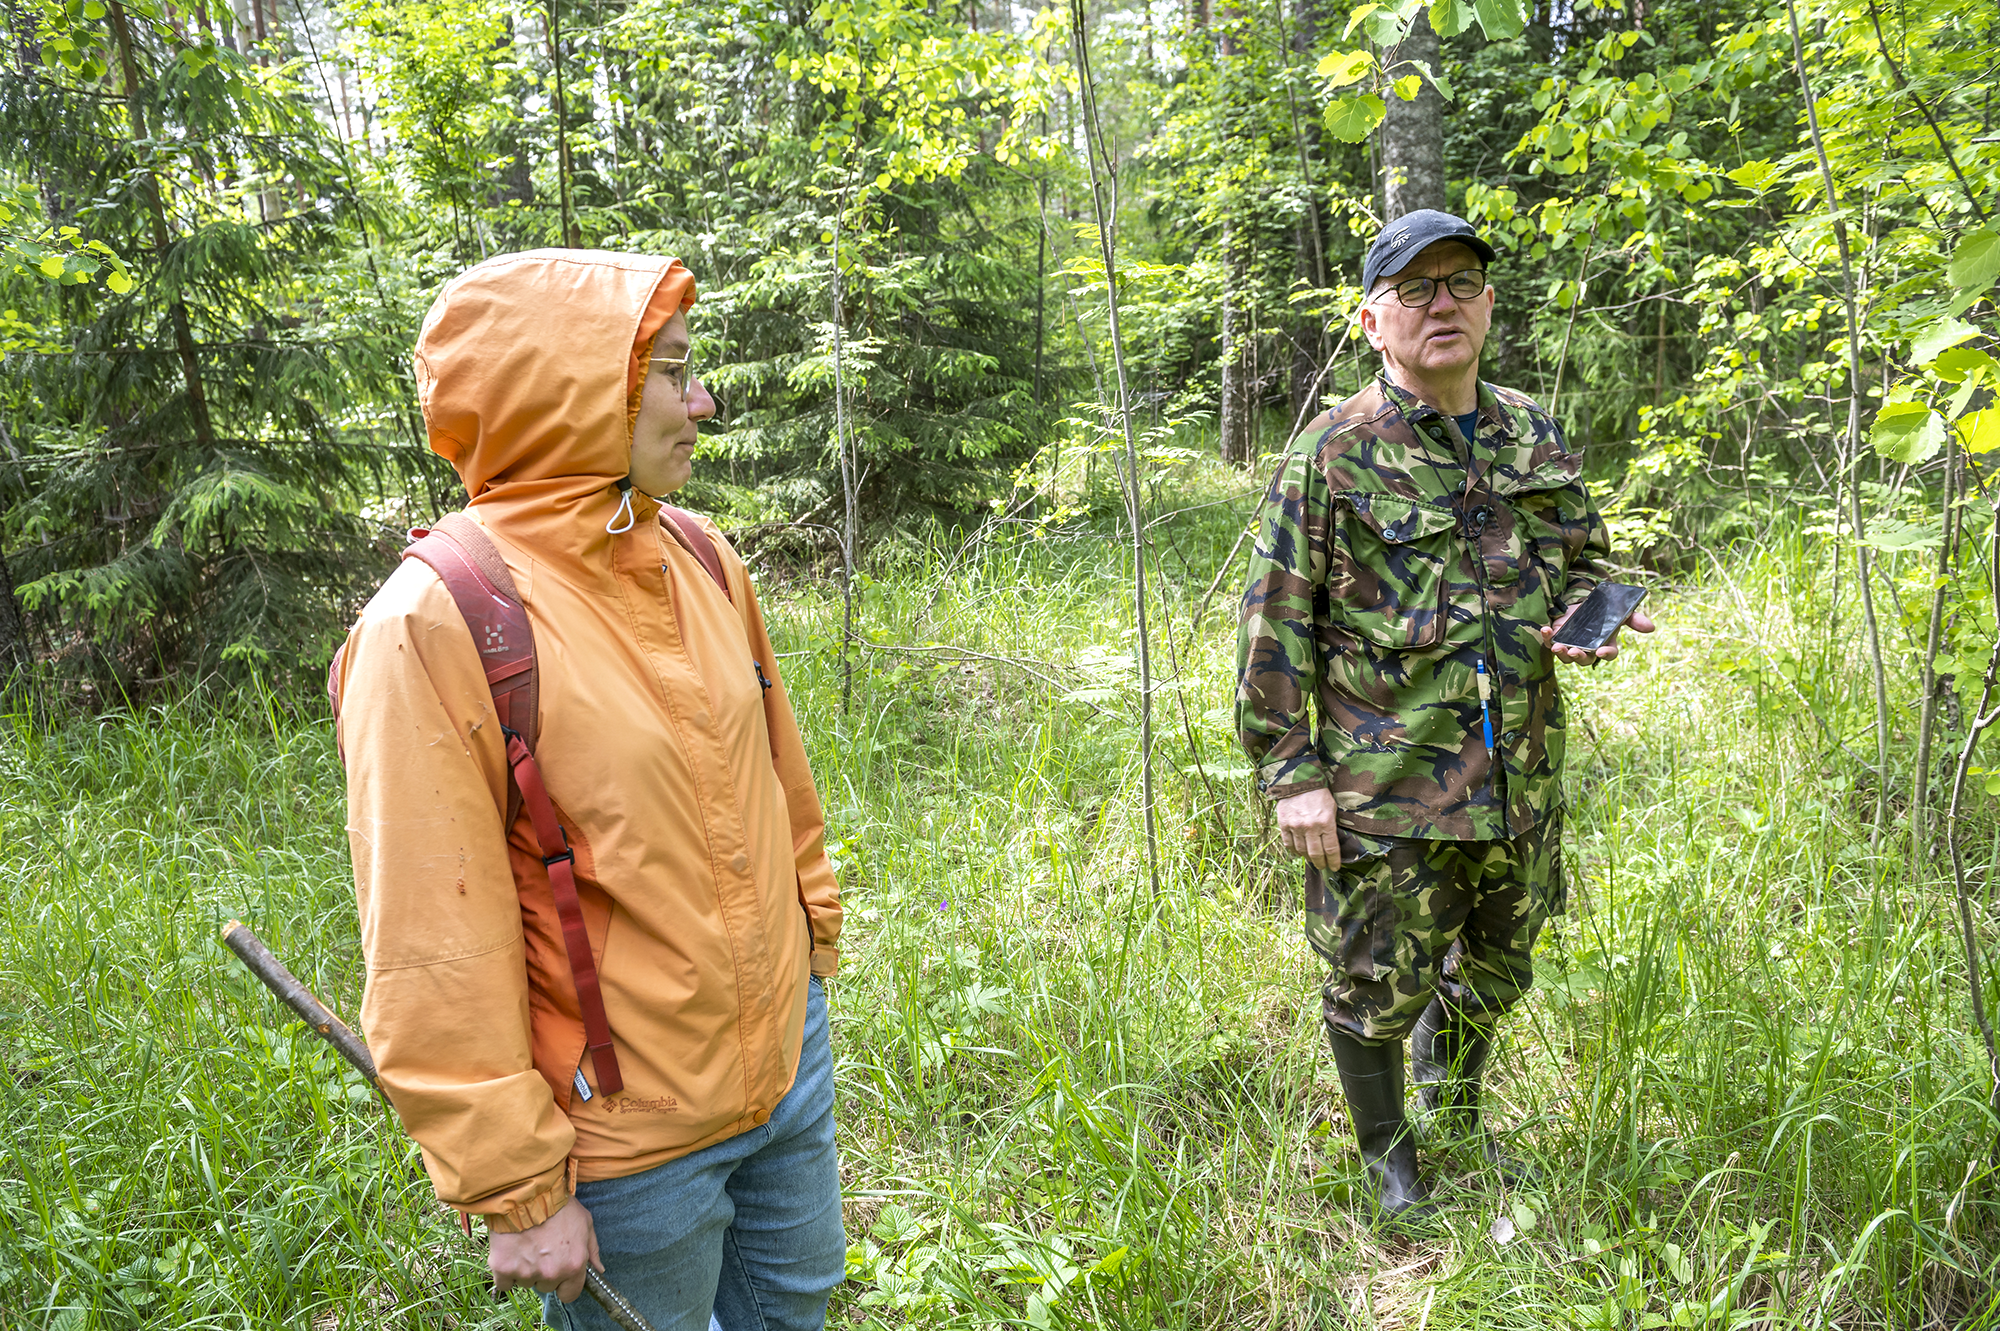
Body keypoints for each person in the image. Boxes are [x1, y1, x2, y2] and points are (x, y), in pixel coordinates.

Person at [335, 250, 846, 1328]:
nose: (702, 401)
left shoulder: (701, 557)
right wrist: (516, 1185)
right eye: (673, 372)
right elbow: (432, 937)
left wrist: (812, 961)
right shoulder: (434, 621)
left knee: (796, 1313)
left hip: (784, 1071)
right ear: (573, 392)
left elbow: (778, 784)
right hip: (625, 1137)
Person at [1234, 210, 1653, 1223]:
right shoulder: (1332, 453)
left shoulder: (1527, 429)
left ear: (1487, 304)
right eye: (1415, 289)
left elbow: (1582, 554)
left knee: (1503, 960)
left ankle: (1453, 1102)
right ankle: (1388, 1160)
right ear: (1371, 319)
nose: (1441, 303)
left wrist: (1589, 610)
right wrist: (1290, 775)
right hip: (1391, 784)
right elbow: (1274, 617)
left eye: (1460, 281)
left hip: (1520, 771)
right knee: (1374, 979)